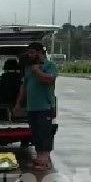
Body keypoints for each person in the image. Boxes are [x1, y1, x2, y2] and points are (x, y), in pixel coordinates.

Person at [15, 41, 58, 171]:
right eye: (29, 53)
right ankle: (40, 159)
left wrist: (37, 71)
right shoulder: (28, 67)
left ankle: (45, 161)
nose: (30, 55)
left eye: (32, 52)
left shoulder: (49, 65)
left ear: (40, 53)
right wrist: (18, 103)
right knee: (36, 135)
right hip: (31, 108)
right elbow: (24, 86)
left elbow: (49, 80)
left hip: (45, 107)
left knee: (45, 134)